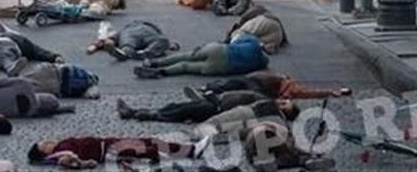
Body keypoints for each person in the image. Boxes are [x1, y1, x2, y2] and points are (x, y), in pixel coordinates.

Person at [116, 92, 296, 126]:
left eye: (287, 104)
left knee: (184, 111)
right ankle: (136, 111)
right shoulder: (267, 101)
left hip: (217, 110)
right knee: (178, 107)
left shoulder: (271, 110)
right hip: (217, 104)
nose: (284, 101)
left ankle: (149, 115)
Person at [133, 36, 268, 79]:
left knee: (186, 56)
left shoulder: (254, 43)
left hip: (220, 50)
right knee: (186, 66)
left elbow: (237, 39)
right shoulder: (260, 63)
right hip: (222, 68)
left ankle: (154, 63)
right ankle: (161, 72)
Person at [28, 136, 193, 168]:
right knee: (146, 149)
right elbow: (68, 159)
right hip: (108, 151)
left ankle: (187, 149)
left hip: (107, 142)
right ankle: (183, 153)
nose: (48, 141)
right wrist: (81, 163)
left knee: (148, 141)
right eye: (44, 144)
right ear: (44, 152)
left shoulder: (61, 144)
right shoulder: (58, 153)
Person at [197, 71, 352, 100]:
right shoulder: (285, 83)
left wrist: (332, 92)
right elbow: (311, 92)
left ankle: (209, 89)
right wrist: (333, 92)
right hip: (256, 86)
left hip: (254, 84)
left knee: (233, 84)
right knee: (234, 86)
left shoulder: (284, 82)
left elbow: (312, 93)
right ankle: (211, 91)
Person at [87, 20, 178, 61]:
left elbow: (105, 40)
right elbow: (162, 39)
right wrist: (170, 45)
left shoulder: (123, 30)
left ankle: (126, 53)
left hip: (130, 33)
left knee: (128, 44)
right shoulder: (153, 29)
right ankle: (146, 52)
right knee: (161, 41)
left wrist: (93, 47)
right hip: (149, 34)